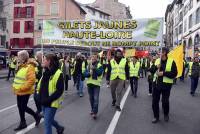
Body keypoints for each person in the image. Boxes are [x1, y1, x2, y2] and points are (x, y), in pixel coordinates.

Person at [12, 50, 41, 131]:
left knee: (23, 107)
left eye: (19, 56)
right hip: (19, 91)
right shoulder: (22, 65)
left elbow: (31, 80)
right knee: (20, 106)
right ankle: (23, 122)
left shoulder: (30, 66)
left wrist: (21, 88)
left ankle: (36, 116)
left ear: (23, 57)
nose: (18, 58)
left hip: (25, 91)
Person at [37, 53, 64, 134]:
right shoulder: (46, 71)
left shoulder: (58, 73)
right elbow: (40, 85)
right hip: (43, 102)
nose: (43, 61)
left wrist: (48, 100)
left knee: (47, 123)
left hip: (51, 103)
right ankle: (59, 128)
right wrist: (38, 95)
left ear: (49, 61)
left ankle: (59, 128)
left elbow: (59, 90)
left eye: (44, 59)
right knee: (48, 119)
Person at [152, 47, 177, 123]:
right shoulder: (157, 60)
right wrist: (156, 67)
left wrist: (163, 73)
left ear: (165, 52)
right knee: (155, 102)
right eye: (159, 51)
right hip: (156, 84)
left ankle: (166, 114)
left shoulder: (171, 61)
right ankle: (156, 117)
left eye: (161, 51)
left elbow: (174, 74)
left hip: (166, 85)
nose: (159, 53)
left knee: (165, 101)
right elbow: (151, 70)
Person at [84, 54, 103, 119]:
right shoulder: (88, 65)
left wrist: (94, 68)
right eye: (92, 58)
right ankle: (93, 110)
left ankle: (95, 113)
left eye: (94, 58)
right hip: (89, 84)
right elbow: (85, 74)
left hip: (96, 84)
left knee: (96, 99)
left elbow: (100, 73)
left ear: (97, 59)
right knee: (91, 98)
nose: (93, 59)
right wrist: (89, 73)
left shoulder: (99, 65)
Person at [34, 51, 43, 116]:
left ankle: (41, 110)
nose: (37, 57)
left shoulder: (43, 62)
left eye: (38, 56)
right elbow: (35, 72)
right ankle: (39, 109)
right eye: (37, 56)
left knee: (41, 97)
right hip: (38, 82)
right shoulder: (35, 63)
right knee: (36, 97)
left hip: (43, 82)